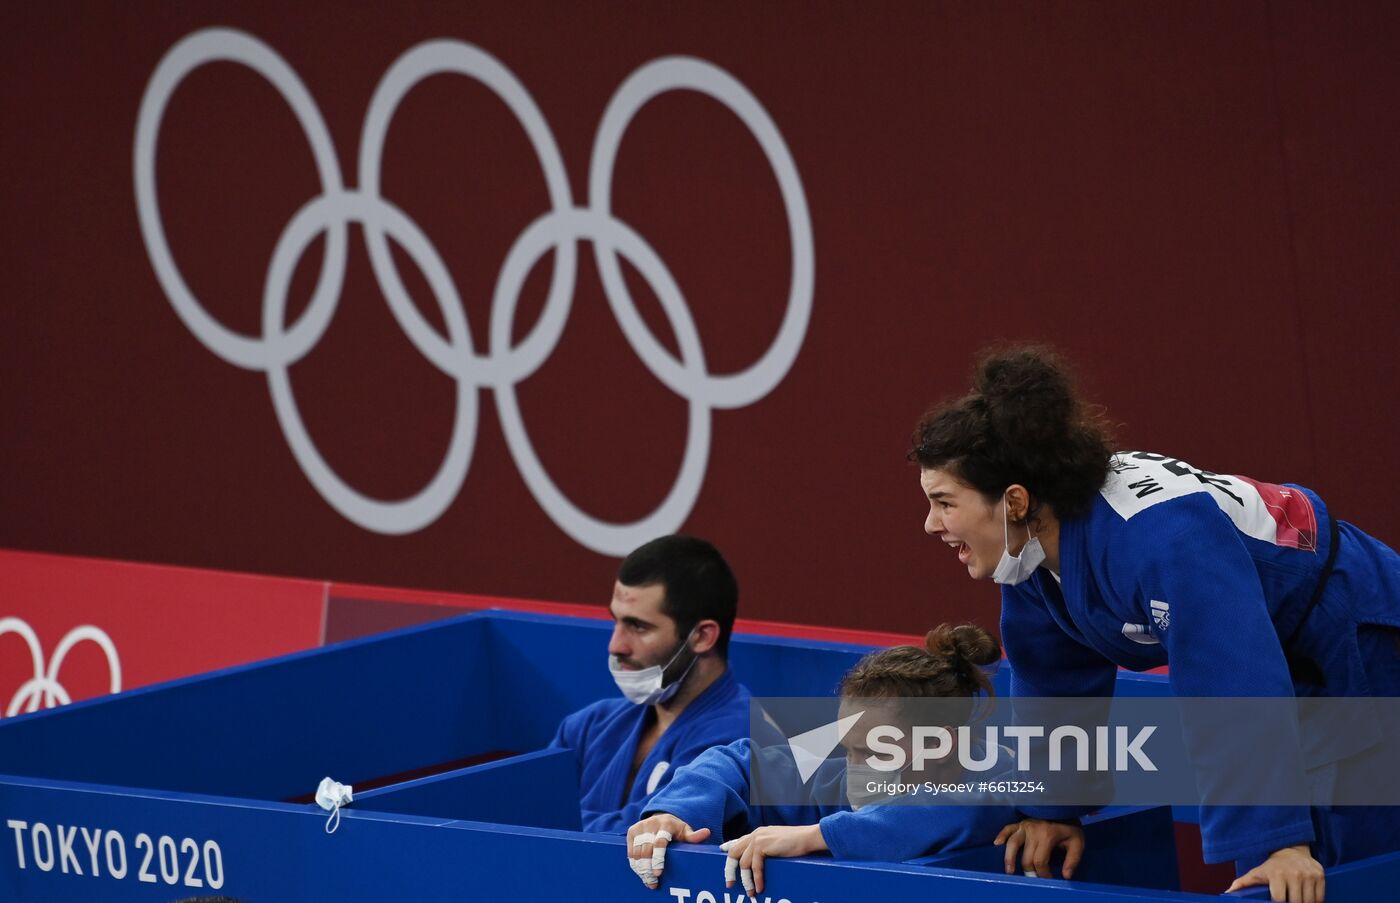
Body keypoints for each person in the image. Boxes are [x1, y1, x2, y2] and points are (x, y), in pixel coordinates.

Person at [908, 345, 1400, 903]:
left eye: (944, 503)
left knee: (1350, 857)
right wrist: (1053, 809)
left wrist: (1276, 842)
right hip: (1282, 648)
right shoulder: (1030, 552)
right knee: (1271, 869)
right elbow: (1055, 684)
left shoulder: (1163, 540)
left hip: (1358, 633)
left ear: (1014, 501)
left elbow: (1232, 688)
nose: (931, 524)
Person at [624, 624, 1020, 896]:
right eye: (849, 748)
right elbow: (738, 761)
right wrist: (672, 812)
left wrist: (812, 837)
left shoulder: (1007, 783)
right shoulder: (833, 776)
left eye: (874, 751)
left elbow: (964, 808)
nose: (855, 766)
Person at [550, 534, 753, 832]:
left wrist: (555, 825)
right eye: (616, 621)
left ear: (702, 636)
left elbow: (648, 834)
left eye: (638, 626)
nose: (615, 645)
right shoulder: (586, 727)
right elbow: (527, 815)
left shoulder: (750, 740)